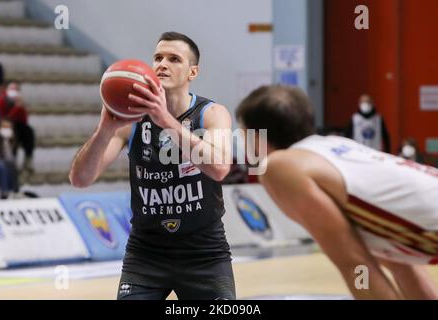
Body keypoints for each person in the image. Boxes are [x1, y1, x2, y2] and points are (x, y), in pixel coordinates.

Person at [69, 32, 236, 300]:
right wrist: (104, 129)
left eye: (174, 59)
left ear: (193, 72)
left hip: (204, 254)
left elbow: (219, 168)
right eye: (157, 57)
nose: (162, 64)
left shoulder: (212, 114)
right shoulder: (131, 120)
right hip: (146, 254)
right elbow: (80, 179)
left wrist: (166, 121)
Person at [235, 85, 438, 300]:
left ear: (256, 136)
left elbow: (355, 264)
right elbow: (402, 265)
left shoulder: (278, 167)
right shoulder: (334, 145)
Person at [0, 81, 35, 178]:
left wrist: (20, 108)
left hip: (15, 127)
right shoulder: (0, 100)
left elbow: (24, 120)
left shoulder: (17, 102)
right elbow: (2, 120)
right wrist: (16, 108)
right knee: (13, 132)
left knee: (28, 131)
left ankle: (28, 160)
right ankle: (11, 165)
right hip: (0, 128)